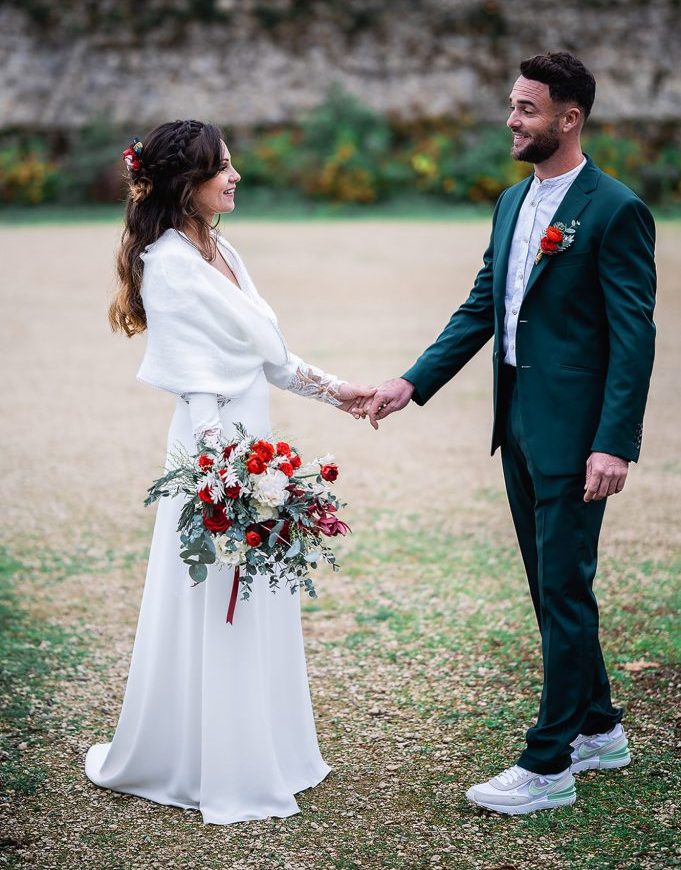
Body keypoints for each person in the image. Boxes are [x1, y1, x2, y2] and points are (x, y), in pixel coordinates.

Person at [364, 53, 656, 815]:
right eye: (512, 105)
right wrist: (410, 382)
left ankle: (547, 763)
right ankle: (599, 728)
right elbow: (482, 304)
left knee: (563, 588)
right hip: (516, 419)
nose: (510, 120)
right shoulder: (510, 202)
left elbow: (634, 338)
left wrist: (614, 441)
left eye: (526, 108)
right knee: (548, 586)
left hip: (576, 433)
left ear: (569, 118)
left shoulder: (614, 209)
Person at [85, 119, 374, 825]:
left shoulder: (220, 248)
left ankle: (266, 747)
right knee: (217, 593)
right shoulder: (168, 264)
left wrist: (341, 393)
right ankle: (213, 762)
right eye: (222, 167)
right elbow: (197, 387)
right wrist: (226, 480)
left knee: (257, 593)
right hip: (215, 455)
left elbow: (267, 357)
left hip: (254, 444)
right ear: (187, 184)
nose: (235, 175)